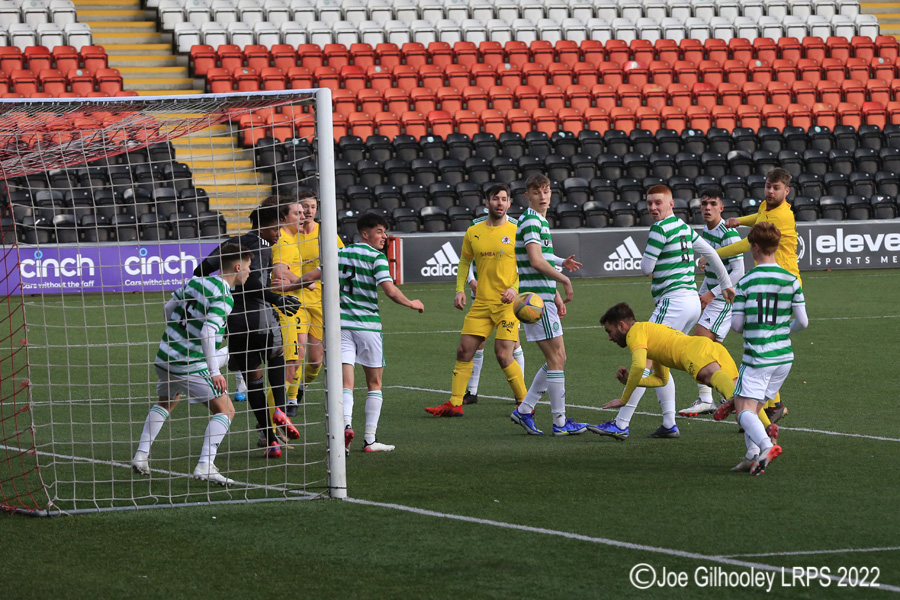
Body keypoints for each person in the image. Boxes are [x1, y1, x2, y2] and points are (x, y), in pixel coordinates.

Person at [592, 184, 735, 439]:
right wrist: (726, 285)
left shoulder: (660, 228)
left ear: (671, 204)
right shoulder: (683, 227)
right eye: (649, 203)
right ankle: (669, 423)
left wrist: (655, 260)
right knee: (661, 360)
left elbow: (646, 267)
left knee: (644, 358)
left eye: (658, 203)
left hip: (674, 301)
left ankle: (621, 423)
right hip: (691, 301)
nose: (653, 208)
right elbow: (712, 253)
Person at [300, 213, 424, 453]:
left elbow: (310, 277)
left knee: (346, 383)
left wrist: (288, 284)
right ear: (364, 234)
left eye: (385, 232)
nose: (384, 237)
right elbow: (390, 291)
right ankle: (369, 439)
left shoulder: (339, 253)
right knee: (374, 383)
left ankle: (345, 426)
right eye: (379, 232)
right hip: (367, 328)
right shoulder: (377, 257)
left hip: (341, 328)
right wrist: (412, 303)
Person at [131, 243, 251, 486]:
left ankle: (141, 456)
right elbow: (207, 333)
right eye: (248, 267)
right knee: (226, 410)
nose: (250, 272)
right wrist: (215, 372)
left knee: (167, 402)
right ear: (238, 267)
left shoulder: (196, 281)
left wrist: (177, 335)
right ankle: (205, 465)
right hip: (189, 364)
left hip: (165, 357)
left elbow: (168, 307)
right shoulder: (225, 296)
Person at [193, 202, 302, 458]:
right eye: (277, 228)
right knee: (276, 357)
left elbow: (200, 271)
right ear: (265, 226)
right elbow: (253, 281)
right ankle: (280, 408)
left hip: (234, 321)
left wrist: (220, 289)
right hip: (261, 318)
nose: (279, 233)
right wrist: (275, 299)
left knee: (253, 379)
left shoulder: (232, 245)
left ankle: (271, 440)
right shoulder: (262, 248)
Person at [425, 183, 530, 417]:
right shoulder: (474, 231)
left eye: (504, 199)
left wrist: (515, 288)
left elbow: (527, 264)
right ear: (486, 203)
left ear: (510, 203)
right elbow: (464, 261)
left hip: (507, 306)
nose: (500, 203)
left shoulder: (517, 231)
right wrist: (459, 289)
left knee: (504, 354)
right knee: (464, 351)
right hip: (481, 303)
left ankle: (525, 404)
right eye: (495, 198)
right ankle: (455, 403)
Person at [721, 222, 808, 475]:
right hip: (783, 358)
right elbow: (803, 322)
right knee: (755, 408)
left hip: (757, 358)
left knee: (743, 412)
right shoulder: (791, 279)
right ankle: (752, 455)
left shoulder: (746, 282)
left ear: (755, 247)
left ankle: (767, 445)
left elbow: (737, 326)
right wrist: (781, 330)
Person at [715, 167, 799, 424]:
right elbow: (759, 216)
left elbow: (749, 242)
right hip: (769, 282)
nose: (770, 192)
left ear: (787, 191)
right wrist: (739, 220)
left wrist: (714, 255)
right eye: (768, 187)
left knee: (761, 343)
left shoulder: (782, 217)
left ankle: (757, 401)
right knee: (763, 343)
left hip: (781, 283)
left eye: (776, 189)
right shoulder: (767, 206)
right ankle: (767, 403)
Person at [508, 174, 586, 436]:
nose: (543, 196)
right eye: (536, 191)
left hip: (542, 297)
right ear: (527, 195)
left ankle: (525, 410)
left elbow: (543, 257)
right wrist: (564, 280)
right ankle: (560, 422)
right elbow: (535, 261)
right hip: (535, 302)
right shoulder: (531, 220)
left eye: (546, 191)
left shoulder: (538, 221)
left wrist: (560, 265)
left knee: (558, 358)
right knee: (555, 359)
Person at [596, 302, 740, 444]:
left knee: (712, 378)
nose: (610, 338)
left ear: (621, 326)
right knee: (747, 397)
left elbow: (639, 366)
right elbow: (661, 380)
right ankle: (760, 423)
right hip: (709, 346)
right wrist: (630, 381)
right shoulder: (653, 337)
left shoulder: (634, 333)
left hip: (694, 353)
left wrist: (624, 399)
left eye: (609, 331)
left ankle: (734, 399)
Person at [270, 192, 344, 417]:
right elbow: (281, 270)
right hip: (296, 300)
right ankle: (290, 399)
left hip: (321, 301)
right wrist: (299, 282)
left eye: (312, 207)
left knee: (315, 361)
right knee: (297, 351)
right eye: (304, 207)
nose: (309, 211)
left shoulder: (326, 233)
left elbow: (341, 260)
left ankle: (300, 387)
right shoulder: (287, 236)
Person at [678, 187, 745, 417]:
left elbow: (738, 272)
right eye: (704, 203)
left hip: (724, 299)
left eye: (712, 204)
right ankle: (739, 396)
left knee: (699, 346)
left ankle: (709, 399)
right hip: (713, 296)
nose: (707, 208)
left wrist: (712, 294)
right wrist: (702, 292)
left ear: (721, 207)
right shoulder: (707, 231)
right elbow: (713, 270)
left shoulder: (728, 233)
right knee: (712, 350)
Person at [460, 250, 526, 406]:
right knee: (478, 342)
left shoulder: (513, 229)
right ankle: (472, 391)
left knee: (513, 342)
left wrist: (514, 288)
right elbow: (466, 258)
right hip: (481, 297)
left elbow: (521, 263)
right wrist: (471, 281)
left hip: (508, 297)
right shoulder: (476, 227)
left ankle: (520, 393)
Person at [269, 196, 307, 416]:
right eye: (297, 213)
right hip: (284, 309)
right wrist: (307, 281)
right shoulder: (283, 240)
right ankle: (270, 427)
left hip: (295, 306)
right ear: (284, 218)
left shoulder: (292, 239)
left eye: (303, 212)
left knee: (299, 353)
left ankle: (288, 404)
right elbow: (279, 272)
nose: (303, 216)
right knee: (288, 362)